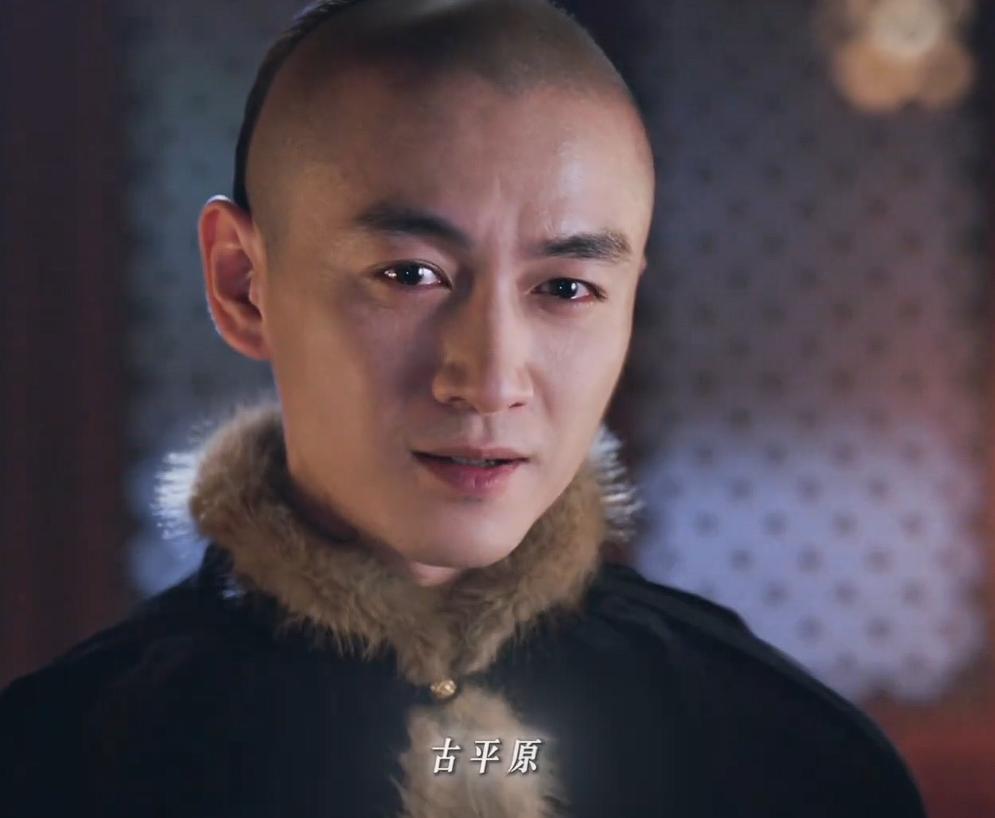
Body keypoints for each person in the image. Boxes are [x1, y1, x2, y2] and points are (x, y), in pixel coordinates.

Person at [0, 1, 928, 816]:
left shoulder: (786, 756)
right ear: (243, 282)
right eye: (410, 275)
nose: (488, 379)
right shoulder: (58, 765)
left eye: (565, 288)